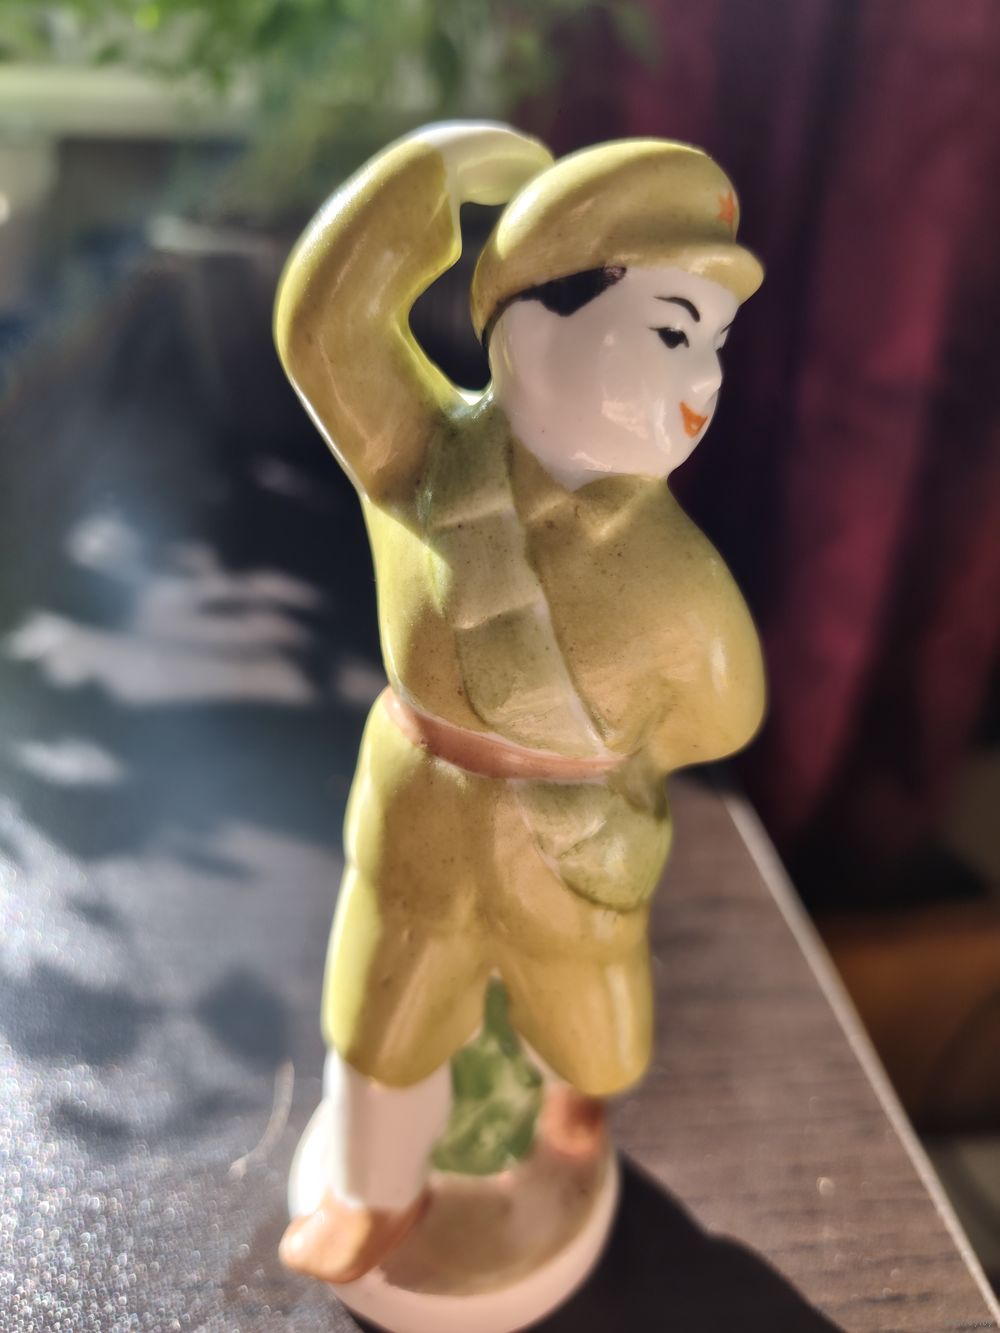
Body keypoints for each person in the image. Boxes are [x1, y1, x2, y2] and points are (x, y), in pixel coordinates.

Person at [275, 122, 765, 1284]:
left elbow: (722, 715)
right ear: (530, 331)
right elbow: (327, 329)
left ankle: (572, 1116)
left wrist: (590, 754)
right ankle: (374, 1193)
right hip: (420, 807)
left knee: (595, 1030)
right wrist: (432, 180)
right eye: (669, 332)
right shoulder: (417, 456)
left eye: (712, 343)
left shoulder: (675, 572)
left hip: (571, 841)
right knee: (378, 1017)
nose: (701, 382)